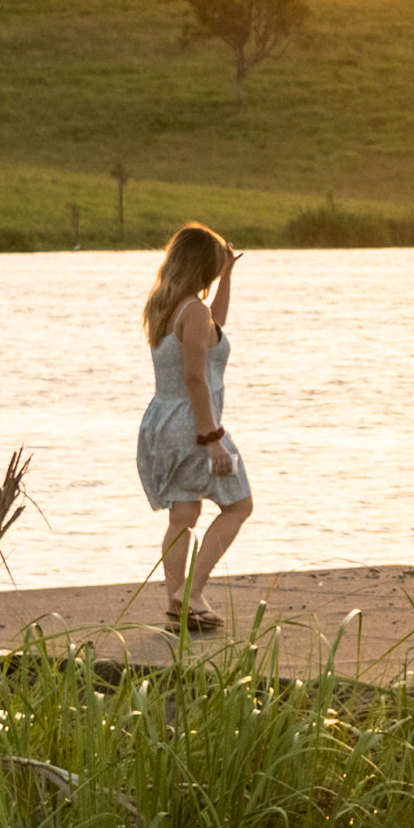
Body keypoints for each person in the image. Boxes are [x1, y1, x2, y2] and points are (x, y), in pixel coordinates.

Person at [137, 223, 252, 632]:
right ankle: (190, 593)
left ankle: (178, 608)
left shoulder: (167, 306)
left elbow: (213, 324)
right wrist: (212, 438)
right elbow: (195, 378)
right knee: (239, 505)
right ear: (204, 265)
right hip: (192, 426)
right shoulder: (193, 311)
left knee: (183, 515)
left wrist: (228, 277)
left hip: (162, 423)